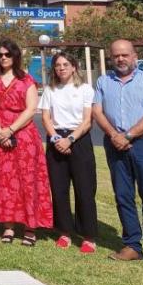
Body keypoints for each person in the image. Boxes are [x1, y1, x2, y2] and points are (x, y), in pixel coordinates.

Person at [92, 39, 143, 270]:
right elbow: (97, 111)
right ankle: (132, 246)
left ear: (134, 56)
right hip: (114, 144)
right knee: (123, 196)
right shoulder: (103, 81)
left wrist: (128, 136)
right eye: (116, 55)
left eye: (125, 55)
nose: (120, 59)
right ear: (111, 57)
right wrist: (114, 136)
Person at [0, 40, 53, 246]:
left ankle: (30, 227)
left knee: (27, 180)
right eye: (0, 54)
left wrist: (10, 130)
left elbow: (31, 109)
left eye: (8, 54)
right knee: (3, 181)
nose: (3, 57)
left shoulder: (26, 80)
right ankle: (8, 226)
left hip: (23, 135)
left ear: (15, 57)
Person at [39, 52, 98, 253]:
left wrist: (70, 139)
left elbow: (87, 120)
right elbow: (46, 118)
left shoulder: (85, 89)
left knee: (85, 189)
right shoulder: (50, 90)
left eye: (65, 64)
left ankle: (88, 235)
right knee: (59, 189)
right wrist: (56, 138)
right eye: (57, 65)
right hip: (56, 140)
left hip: (79, 140)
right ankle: (64, 232)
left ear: (74, 67)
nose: (61, 68)